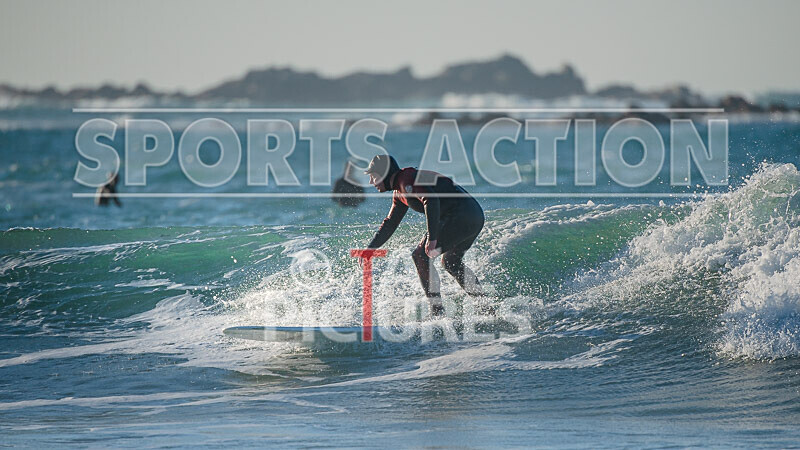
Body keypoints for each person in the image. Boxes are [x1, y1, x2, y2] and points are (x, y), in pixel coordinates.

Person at [362, 154, 487, 317]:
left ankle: (437, 312)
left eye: (373, 176)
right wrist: (370, 249)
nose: (371, 182)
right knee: (451, 262)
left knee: (420, 255)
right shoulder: (400, 191)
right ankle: (486, 308)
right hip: (474, 216)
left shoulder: (407, 180)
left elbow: (431, 200)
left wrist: (432, 239)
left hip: (461, 216)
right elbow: (390, 223)